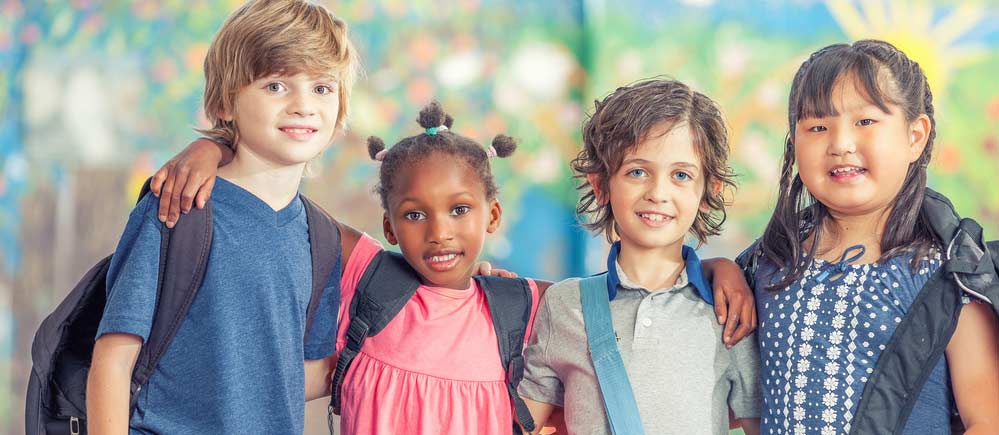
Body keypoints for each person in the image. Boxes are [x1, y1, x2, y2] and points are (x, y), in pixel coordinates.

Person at [85, 1, 359, 433]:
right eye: (276, 86)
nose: (304, 106)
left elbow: (294, 374)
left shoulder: (320, 240)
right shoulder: (178, 207)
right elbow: (113, 361)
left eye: (322, 88)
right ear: (225, 103)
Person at [749, 40, 999, 435]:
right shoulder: (771, 262)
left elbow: (987, 420)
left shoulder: (950, 273)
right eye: (817, 127)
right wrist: (717, 272)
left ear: (915, 136)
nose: (841, 144)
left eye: (865, 122)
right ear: (794, 143)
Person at [519, 78, 762, 435]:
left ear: (710, 192)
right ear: (601, 185)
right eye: (637, 172)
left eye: (681, 175)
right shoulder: (564, 305)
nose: (658, 192)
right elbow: (517, 424)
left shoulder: (730, 314)